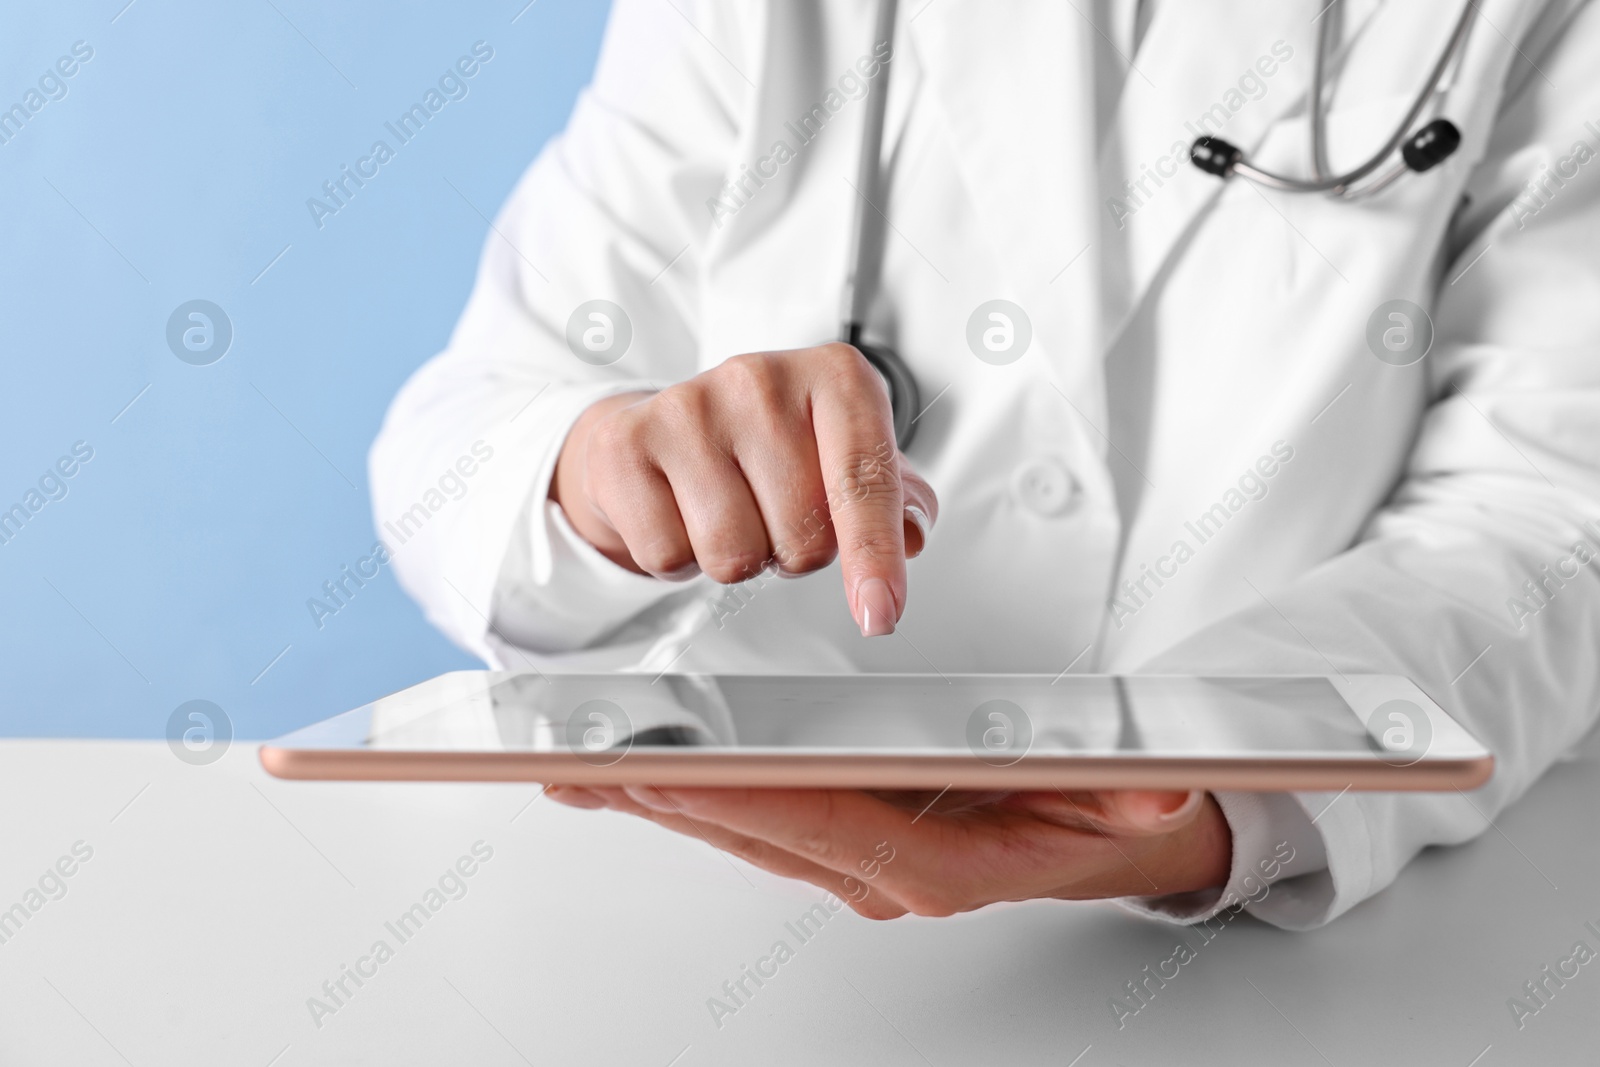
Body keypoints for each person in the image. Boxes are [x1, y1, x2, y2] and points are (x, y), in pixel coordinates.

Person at [371, 0, 1600, 928]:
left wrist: (1230, 783)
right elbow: (458, 434)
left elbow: (1549, 513)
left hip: (1291, 940)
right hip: (707, 902)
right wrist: (598, 474)